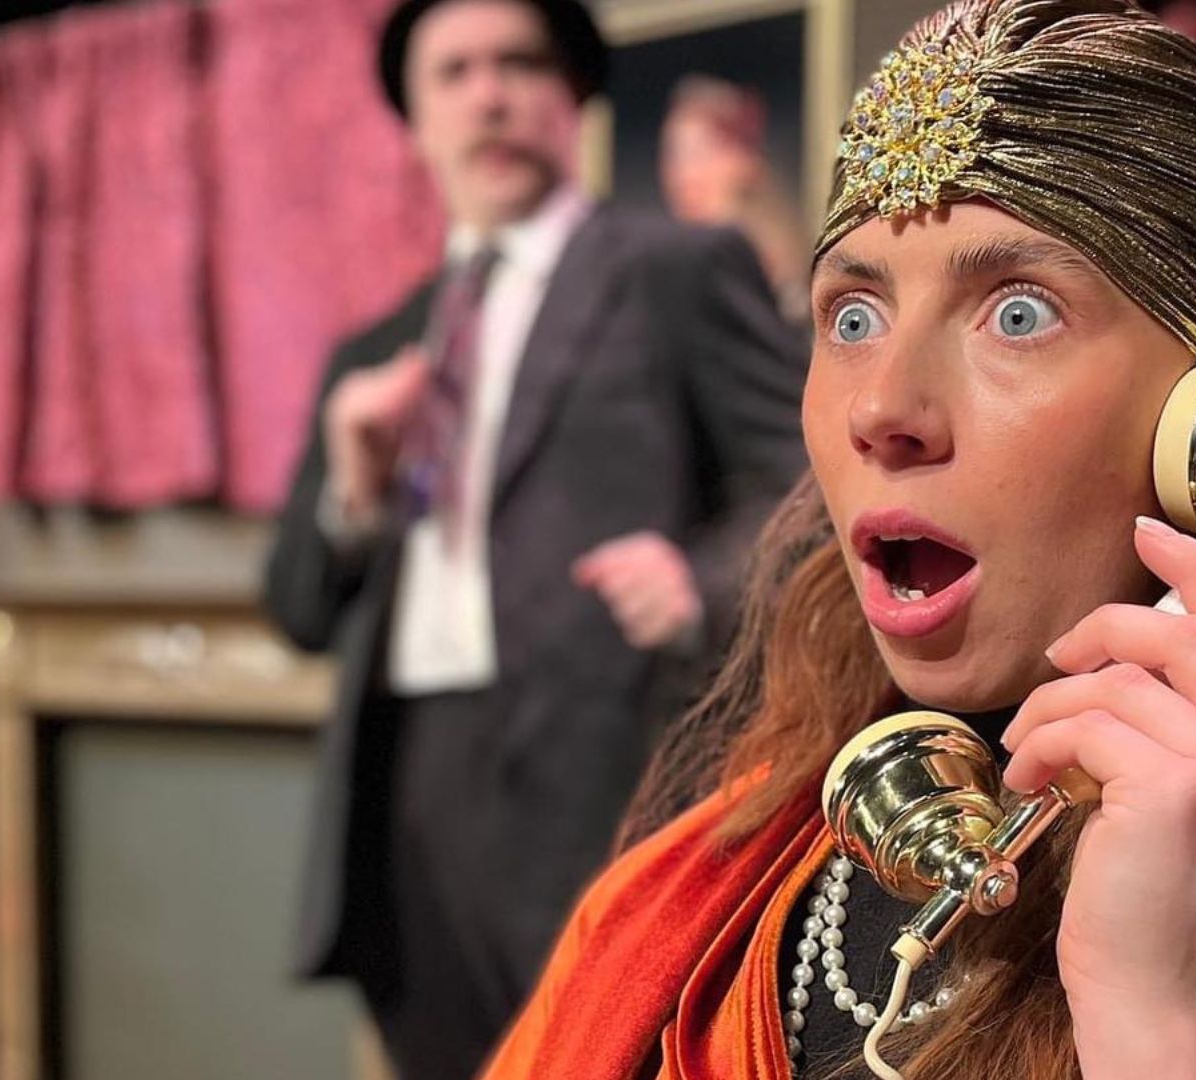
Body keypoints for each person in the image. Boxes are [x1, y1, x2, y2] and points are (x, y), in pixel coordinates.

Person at [477, 2, 1196, 1078]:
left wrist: (1157, 1016)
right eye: (853, 314)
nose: (881, 407)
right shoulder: (671, 909)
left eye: (1018, 312)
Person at [260, 0, 807, 1077]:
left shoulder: (676, 269)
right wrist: (354, 495)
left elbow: (811, 487)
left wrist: (698, 580)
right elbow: (296, 608)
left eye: (518, 63)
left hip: (605, 771)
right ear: (415, 120)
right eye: (454, 72)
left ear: (571, 95)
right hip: (408, 790)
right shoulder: (376, 347)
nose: (490, 95)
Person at [660, 76, 809, 323]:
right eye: (673, 155)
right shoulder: (667, 267)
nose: (684, 176)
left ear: (745, 161)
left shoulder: (782, 274)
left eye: (700, 154)